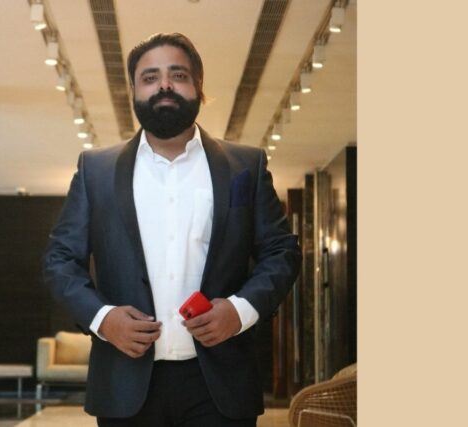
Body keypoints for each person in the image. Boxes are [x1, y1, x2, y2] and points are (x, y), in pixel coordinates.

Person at [44, 32, 301, 427]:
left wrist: (240, 310)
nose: (164, 85)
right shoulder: (96, 170)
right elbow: (60, 259)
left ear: (198, 84)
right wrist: (103, 319)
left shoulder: (245, 166)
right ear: (134, 90)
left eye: (177, 75)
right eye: (150, 77)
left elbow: (281, 251)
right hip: (124, 383)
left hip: (221, 384)